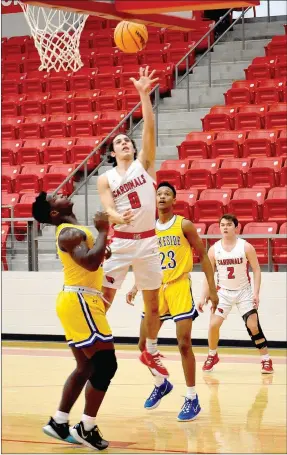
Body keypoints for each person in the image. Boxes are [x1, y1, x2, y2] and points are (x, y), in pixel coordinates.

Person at [126, 182, 219, 421]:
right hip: (155, 289)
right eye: (159, 194)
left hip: (178, 286)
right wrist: (136, 285)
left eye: (167, 194)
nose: (162, 197)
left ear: (174, 200)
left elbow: (204, 256)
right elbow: (147, 261)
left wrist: (212, 288)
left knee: (184, 343)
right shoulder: (149, 229)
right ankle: (161, 383)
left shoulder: (183, 224)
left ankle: (192, 398)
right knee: (143, 345)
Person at [32, 192, 117, 450]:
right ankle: (86, 427)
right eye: (55, 198)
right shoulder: (68, 232)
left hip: (79, 299)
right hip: (80, 300)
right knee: (105, 365)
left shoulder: (74, 231)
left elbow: (91, 258)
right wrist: (103, 230)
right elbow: (90, 264)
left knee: (86, 368)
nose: (60, 194)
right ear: (54, 213)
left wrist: (102, 244)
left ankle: (59, 421)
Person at [98, 66, 168, 378]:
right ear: (112, 153)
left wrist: (144, 96)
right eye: (120, 142)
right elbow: (107, 210)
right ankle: (95, 347)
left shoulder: (145, 166)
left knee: (154, 307)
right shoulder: (106, 177)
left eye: (128, 140)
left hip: (149, 241)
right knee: (104, 300)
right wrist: (117, 217)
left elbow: (149, 130)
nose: (126, 143)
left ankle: (150, 351)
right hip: (121, 242)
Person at [198, 214, 274, 374]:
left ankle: (266, 359)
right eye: (222, 224)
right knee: (213, 325)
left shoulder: (245, 247)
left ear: (236, 227)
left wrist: (256, 293)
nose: (225, 227)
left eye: (229, 224)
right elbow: (209, 275)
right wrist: (203, 295)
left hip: (244, 292)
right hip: (223, 293)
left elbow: (257, 269)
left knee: (253, 326)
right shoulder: (214, 249)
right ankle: (212, 355)